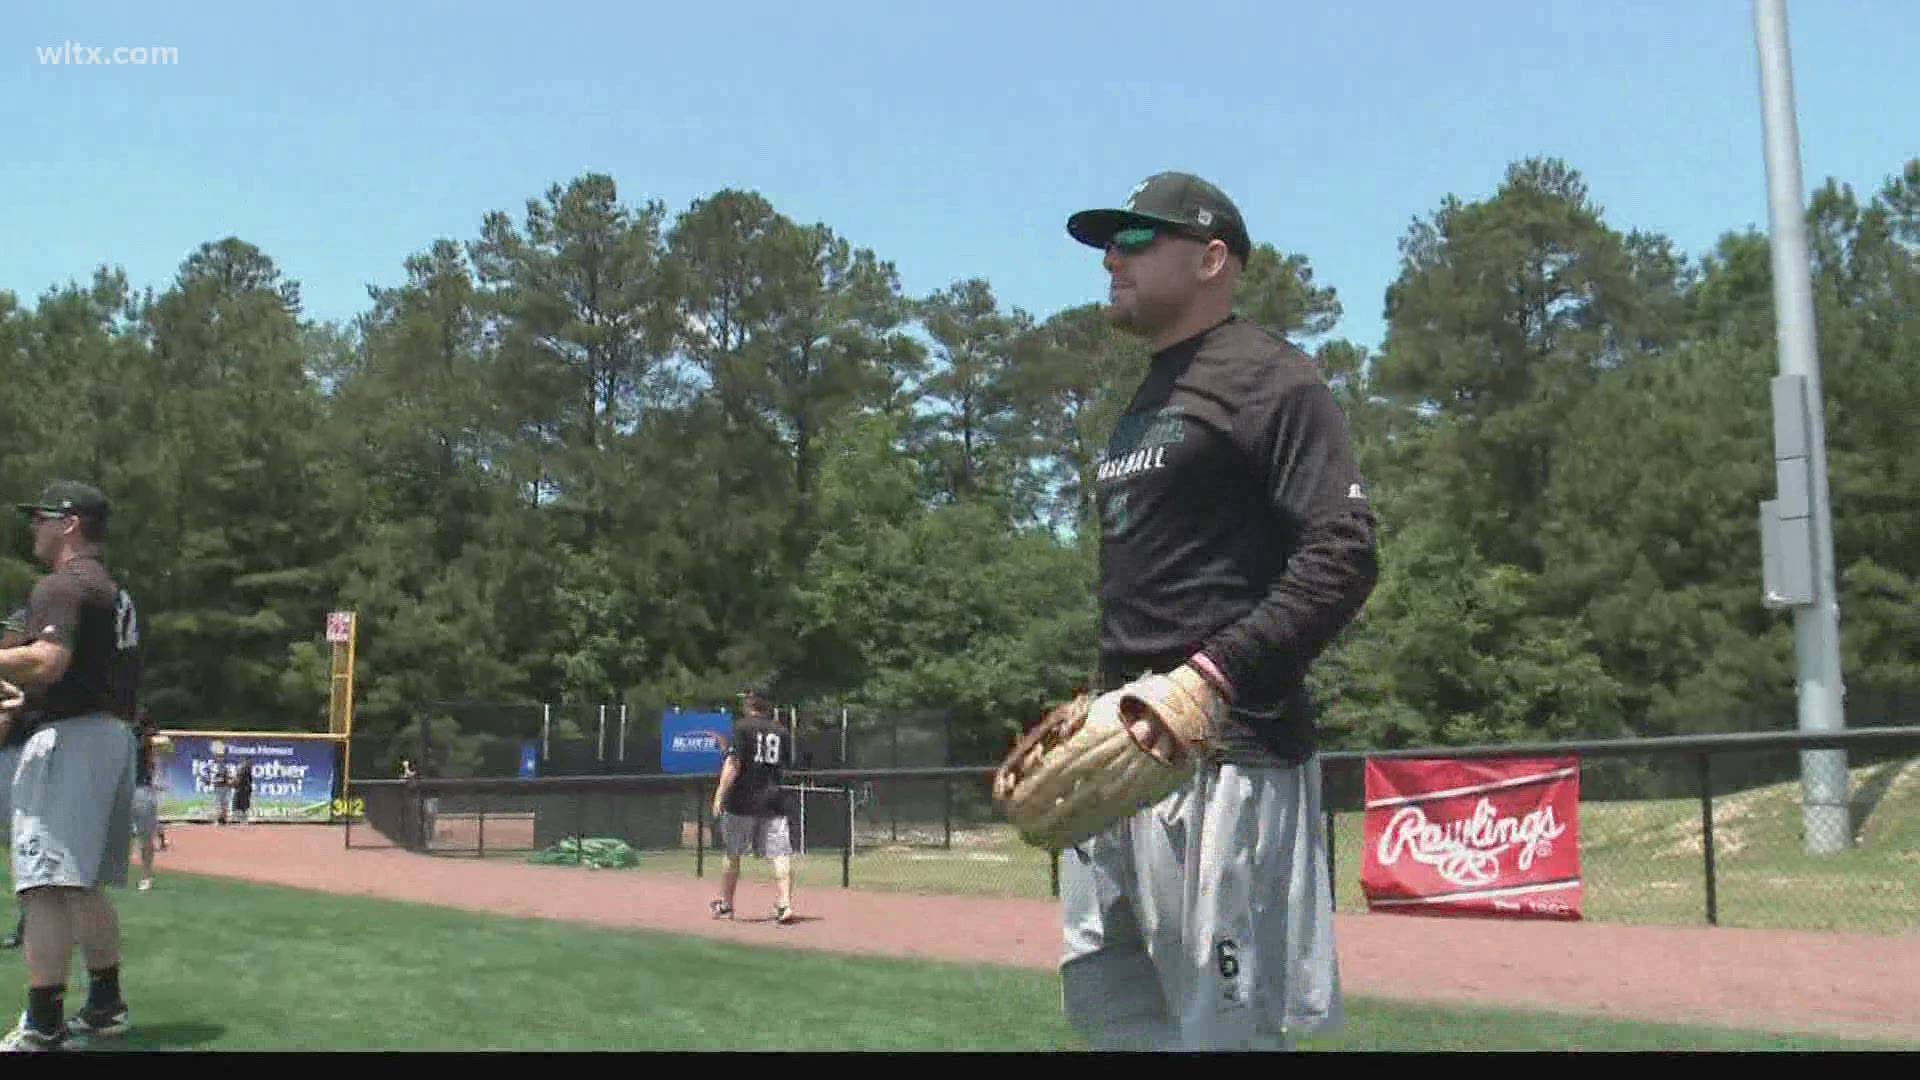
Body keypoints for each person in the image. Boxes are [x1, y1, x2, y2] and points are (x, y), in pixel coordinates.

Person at [1051, 173, 1380, 1051]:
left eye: (1134, 240)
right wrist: (1094, 706)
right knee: (1122, 1028)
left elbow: (1344, 554)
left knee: (1224, 1039)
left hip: (1225, 758)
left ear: (1211, 258)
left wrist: (1210, 677)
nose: (1111, 258)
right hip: (1119, 767)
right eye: (1107, 244)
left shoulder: (1269, 377)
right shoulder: (1147, 399)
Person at [0, 481, 144, 1052]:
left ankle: (43, 1023)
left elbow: (49, 660)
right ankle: (106, 1005)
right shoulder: (113, 590)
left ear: (68, 524)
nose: (31, 529)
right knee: (79, 885)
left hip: (72, 741)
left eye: (39, 519)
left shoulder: (64, 584)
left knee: (42, 884)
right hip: (110, 736)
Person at [708, 690, 795, 925]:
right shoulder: (781, 731)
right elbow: (784, 765)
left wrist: (719, 795)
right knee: (779, 853)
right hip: (773, 799)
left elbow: (734, 764)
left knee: (732, 853)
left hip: (742, 800)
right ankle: (785, 902)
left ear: (749, 703)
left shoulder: (742, 727)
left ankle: (726, 904)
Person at [0, 607, 31, 949]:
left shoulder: (28, 674)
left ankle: (29, 920)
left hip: (14, 758)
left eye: (11, 630)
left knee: (20, 844)